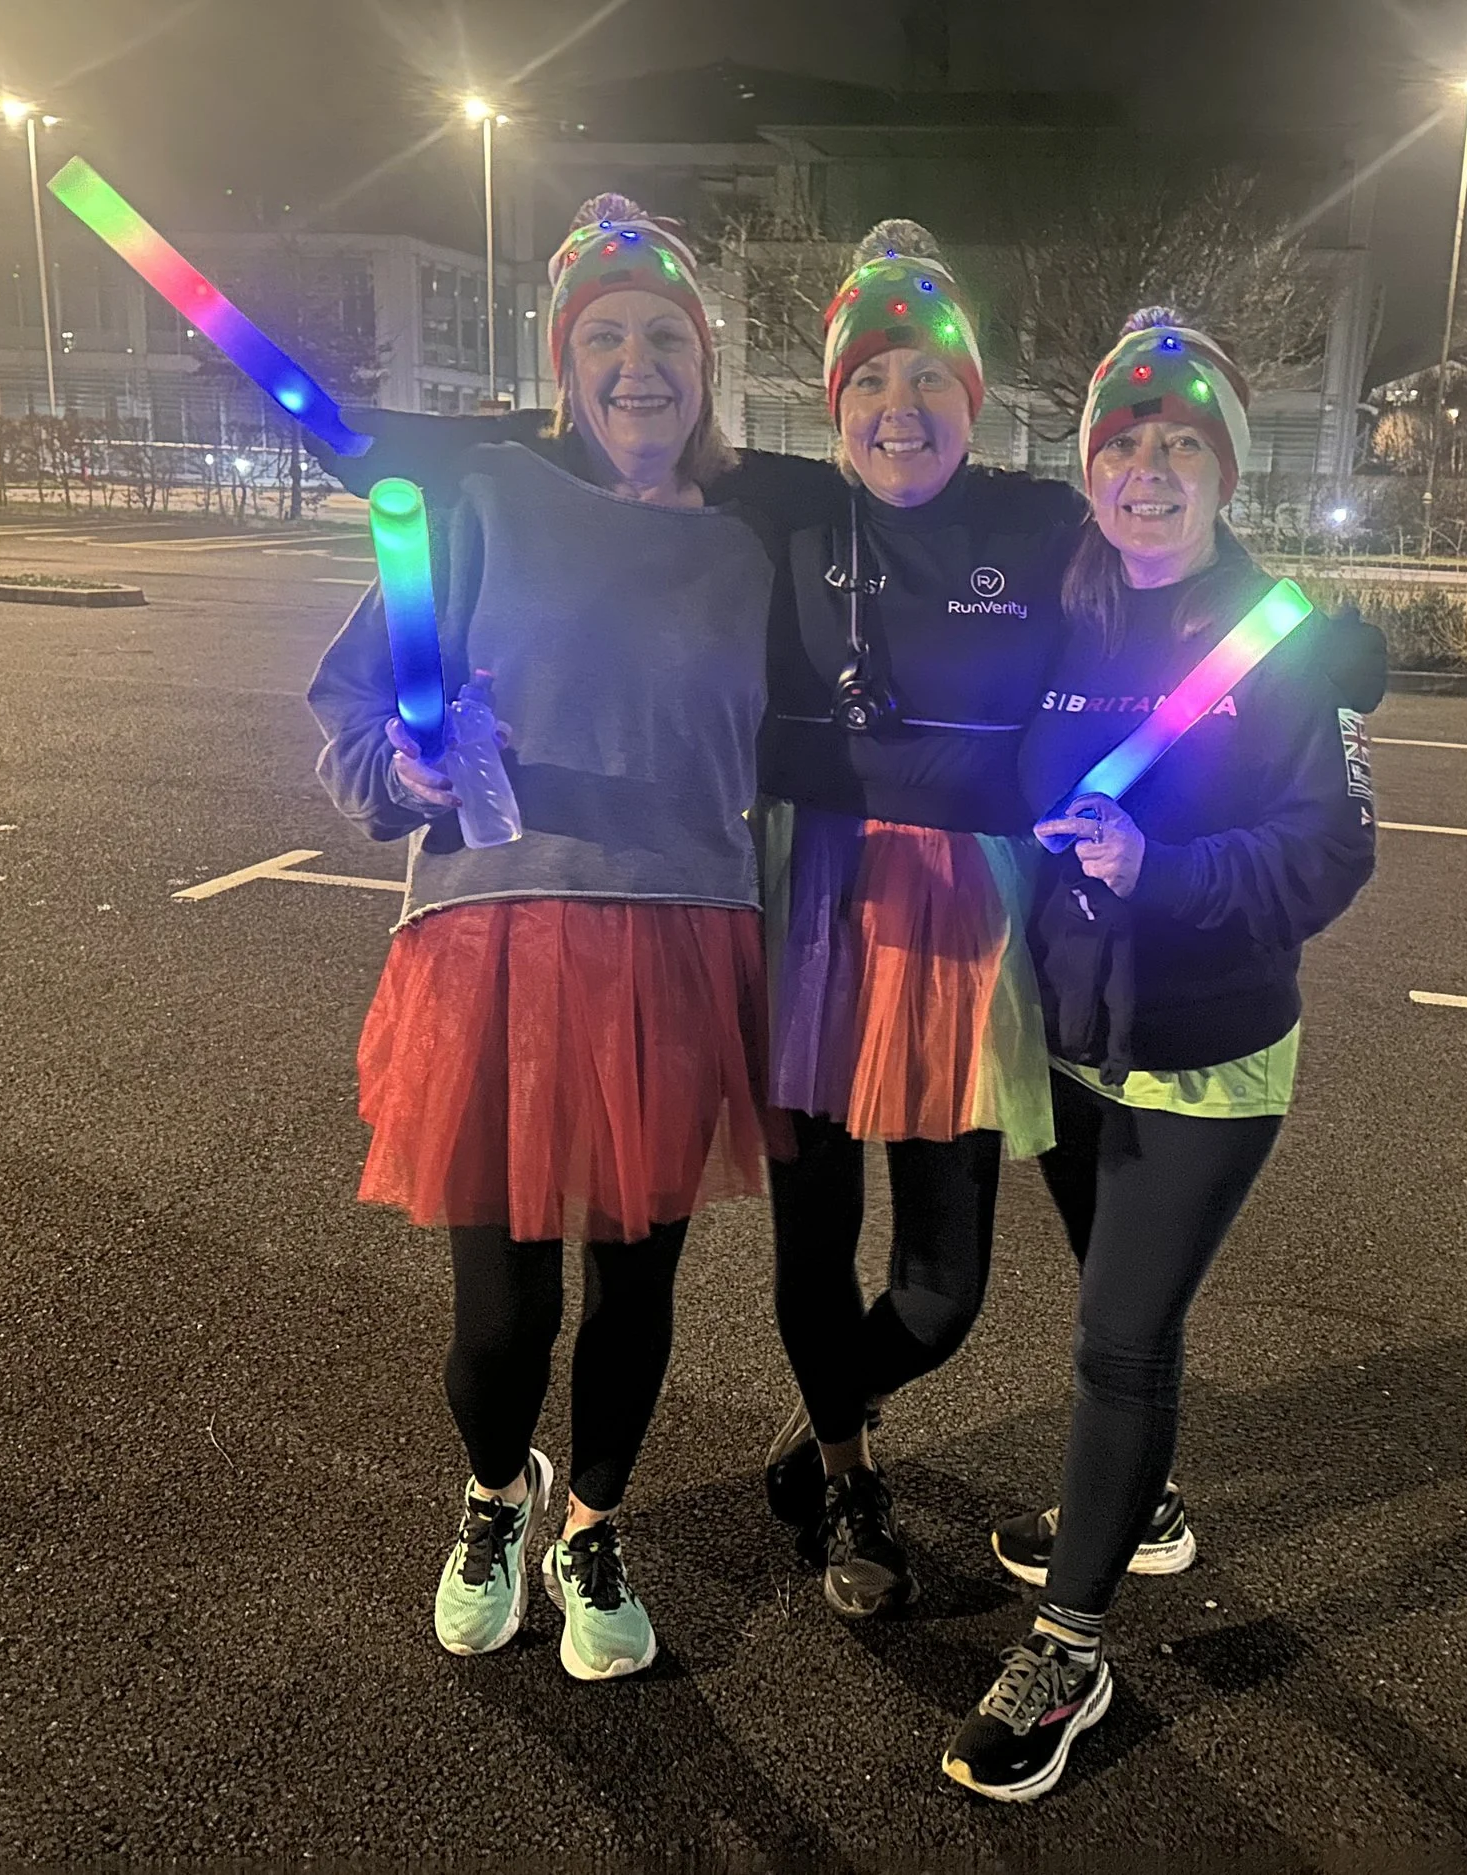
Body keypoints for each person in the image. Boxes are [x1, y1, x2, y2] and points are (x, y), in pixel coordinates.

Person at [306, 195, 773, 1683]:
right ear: (566, 368)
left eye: (666, 339)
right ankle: (495, 1494)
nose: (639, 366)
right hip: (496, 944)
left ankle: (594, 1517)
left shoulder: (758, 548)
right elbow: (358, 709)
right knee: (504, 1309)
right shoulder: (484, 500)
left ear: (706, 367)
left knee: (638, 1296)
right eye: (605, 340)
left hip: (684, 949)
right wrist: (409, 767)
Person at [941, 309, 1380, 1800]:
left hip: (1207, 1052)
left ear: (1226, 473)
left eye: (1183, 444)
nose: (1149, 469)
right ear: (1091, 466)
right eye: (1125, 442)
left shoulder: (1277, 635)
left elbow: (1330, 853)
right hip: (1072, 1040)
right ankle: (1141, 1502)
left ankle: (1071, 1641)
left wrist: (1162, 872)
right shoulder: (1069, 613)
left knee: (1117, 1334)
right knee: (1121, 1305)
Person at [753, 221, 1089, 1618]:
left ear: (975, 397)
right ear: (835, 406)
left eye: (927, 380)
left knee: (942, 1290)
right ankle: (849, 1478)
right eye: (868, 382)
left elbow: (1186, 570)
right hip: (807, 909)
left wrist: (1322, 650)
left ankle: (833, 1397)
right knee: (811, 1245)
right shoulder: (768, 507)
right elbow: (577, 465)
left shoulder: (1039, 522)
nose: (899, 409)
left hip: (966, 930)